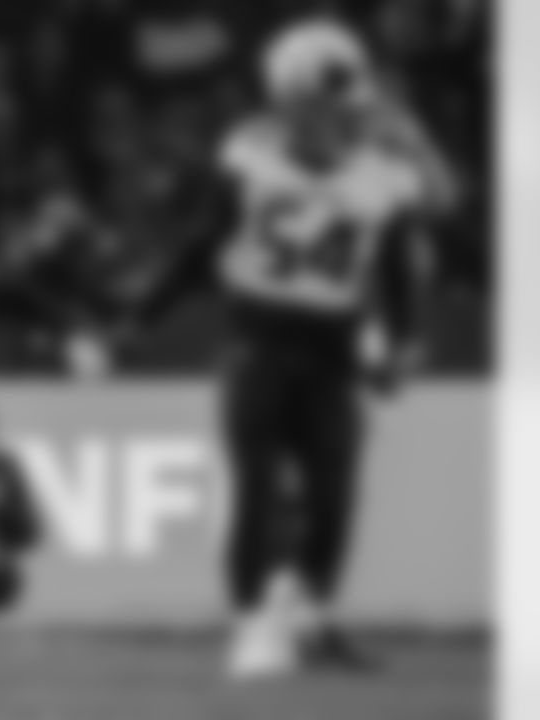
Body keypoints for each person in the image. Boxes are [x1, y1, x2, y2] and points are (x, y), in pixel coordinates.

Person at [126, 19, 450, 680]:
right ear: (289, 102)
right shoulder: (249, 153)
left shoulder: (382, 171)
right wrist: (144, 311)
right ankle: (249, 627)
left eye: (343, 102)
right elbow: (201, 245)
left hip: (333, 345)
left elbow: (396, 264)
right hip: (258, 336)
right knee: (256, 489)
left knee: (335, 494)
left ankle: (308, 620)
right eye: (320, 103)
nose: (338, 116)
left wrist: (408, 337)